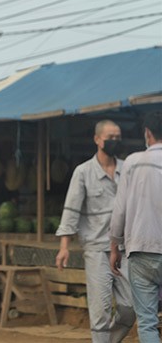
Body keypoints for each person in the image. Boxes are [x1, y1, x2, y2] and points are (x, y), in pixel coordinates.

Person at [55, 120, 135, 343]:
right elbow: (71, 210)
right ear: (97, 139)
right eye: (110, 137)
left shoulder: (126, 169)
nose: (114, 141)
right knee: (101, 310)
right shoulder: (83, 172)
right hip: (97, 251)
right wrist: (64, 248)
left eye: (118, 137)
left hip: (124, 250)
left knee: (130, 307)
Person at [110, 111, 162, 343]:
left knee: (148, 321)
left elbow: (119, 210)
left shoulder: (132, 162)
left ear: (147, 134)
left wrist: (114, 246)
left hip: (140, 250)